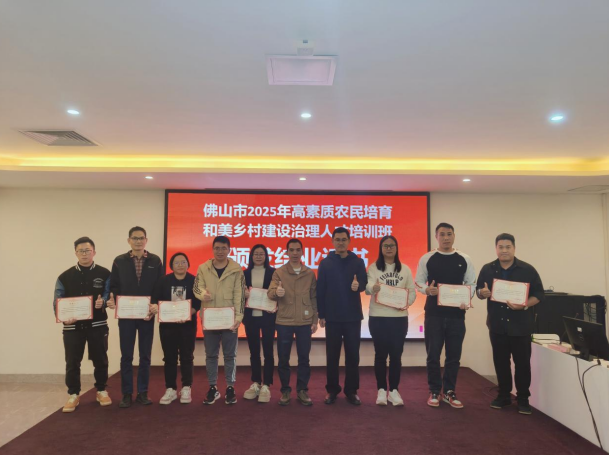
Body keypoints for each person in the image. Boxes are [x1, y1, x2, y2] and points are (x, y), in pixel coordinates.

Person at [477, 233, 544, 415]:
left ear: (514, 248)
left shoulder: (527, 270)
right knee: (501, 363)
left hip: (520, 325)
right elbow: (479, 290)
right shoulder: (487, 269)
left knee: (522, 364)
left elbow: (539, 294)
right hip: (497, 325)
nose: (504, 250)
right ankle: (504, 396)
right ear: (496, 249)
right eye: (501, 247)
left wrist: (524, 305)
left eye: (508, 247)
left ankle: (523, 399)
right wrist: (482, 293)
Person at [415, 222, 476, 409]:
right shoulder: (427, 258)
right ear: (436, 237)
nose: (446, 238)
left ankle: (450, 391)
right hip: (434, 314)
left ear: (454, 236)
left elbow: (471, 284)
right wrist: (427, 290)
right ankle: (434, 391)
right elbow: (418, 282)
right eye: (442, 234)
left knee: (453, 356)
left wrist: (467, 298)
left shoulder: (464, 258)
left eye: (449, 234)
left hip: (457, 315)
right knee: (433, 355)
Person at [54, 236, 115, 413]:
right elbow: (57, 300)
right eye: (80, 251)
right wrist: (63, 317)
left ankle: (101, 390)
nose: (84, 254)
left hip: (98, 325)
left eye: (88, 250)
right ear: (75, 253)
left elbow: (108, 294)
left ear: (94, 252)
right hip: (73, 327)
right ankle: (73, 394)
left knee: (100, 359)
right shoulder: (64, 276)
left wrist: (103, 302)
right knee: (72, 361)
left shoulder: (104, 273)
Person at [110, 226, 164, 408]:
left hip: (147, 314)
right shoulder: (119, 261)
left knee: (145, 355)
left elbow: (159, 286)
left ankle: (143, 392)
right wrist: (113, 300)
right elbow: (114, 286)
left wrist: (155, 304)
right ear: (129, 241)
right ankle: (126, 393)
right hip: (126, 316)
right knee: (126, 355)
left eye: (141, 238)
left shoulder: (155, 260)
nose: (138, 241)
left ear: (146, 240)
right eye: (135, 238)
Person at [317, 227, 368, 405]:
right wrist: (321, 314)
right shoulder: (325, 263)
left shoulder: (358, 262)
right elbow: (320, 290)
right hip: (332, 317)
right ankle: (332, 390)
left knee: (353, 355)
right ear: (332, 242)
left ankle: (351, 390)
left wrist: (358, 286)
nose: (340, 242)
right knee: (332, 356)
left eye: (343, 239)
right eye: (337, 239)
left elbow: (364, 283)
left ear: (349, 241)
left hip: (352, 316)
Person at [193, 235, 245, 405]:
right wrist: (203, 295)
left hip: (230, 319)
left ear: (229, 250)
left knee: (230, 355)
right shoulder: (203, 268)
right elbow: (197, 287)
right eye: (217, 248)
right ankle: (213, 387)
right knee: (211, 355)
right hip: (210, 319)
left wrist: (239, 317)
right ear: (212, 249)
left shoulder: (236, 269)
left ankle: (230, 387)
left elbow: (239, 294)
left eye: (223, 248)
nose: (220, 251)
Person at [366, 235, 416, 406]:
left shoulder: (405, 269)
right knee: (380, 355)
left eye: (392, 245)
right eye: (385, 246)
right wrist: (373, 287)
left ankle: (394, 391)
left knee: (396, 356)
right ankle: (381, 390)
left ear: (396, 248)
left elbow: (411, 291)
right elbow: (367, 288)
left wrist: (405, 304)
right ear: (381, 248)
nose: (389, 248)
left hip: (399, 318)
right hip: (378, 317)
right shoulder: (373, 267)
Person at [267, 239, 318, 406]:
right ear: (286, 252)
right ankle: (285, 390)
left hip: (304, 321)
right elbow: (270, 293)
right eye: (291, 250)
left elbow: (313, 297)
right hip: (284, 321)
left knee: (304, 358)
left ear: (302, 252)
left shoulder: (309, 273)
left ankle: (302, 390)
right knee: (283, 358)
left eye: (298, 250)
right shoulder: (279, 272)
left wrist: (314, 319)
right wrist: (277, 292)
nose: (295, 253)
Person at [153, 252, 201, 405]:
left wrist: (189, 312)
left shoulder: (195, 280)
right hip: (167, 326)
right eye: (177, 262)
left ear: (188, 264)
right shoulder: (163, 281)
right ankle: (171, 389)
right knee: (169, 358)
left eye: (183, 262)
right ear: (171, 265)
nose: (180, 265)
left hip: (187, 326)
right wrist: (156, 308)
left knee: (187, 357)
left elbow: (198, 302)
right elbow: (156, 299)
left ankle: (186, 387)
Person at [242, 245, 276, 403]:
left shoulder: (273, 272)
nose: (258, 256)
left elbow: (276, 293)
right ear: (251, 256)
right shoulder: (244, 273)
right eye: (255, 254)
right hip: (251, 318)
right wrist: (243, 294)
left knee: (268, 352)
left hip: (268, 317)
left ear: (266, 256)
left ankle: (267, 384)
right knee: (254, 351)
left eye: (261, 254)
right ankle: (256, 382)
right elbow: (238, 294)